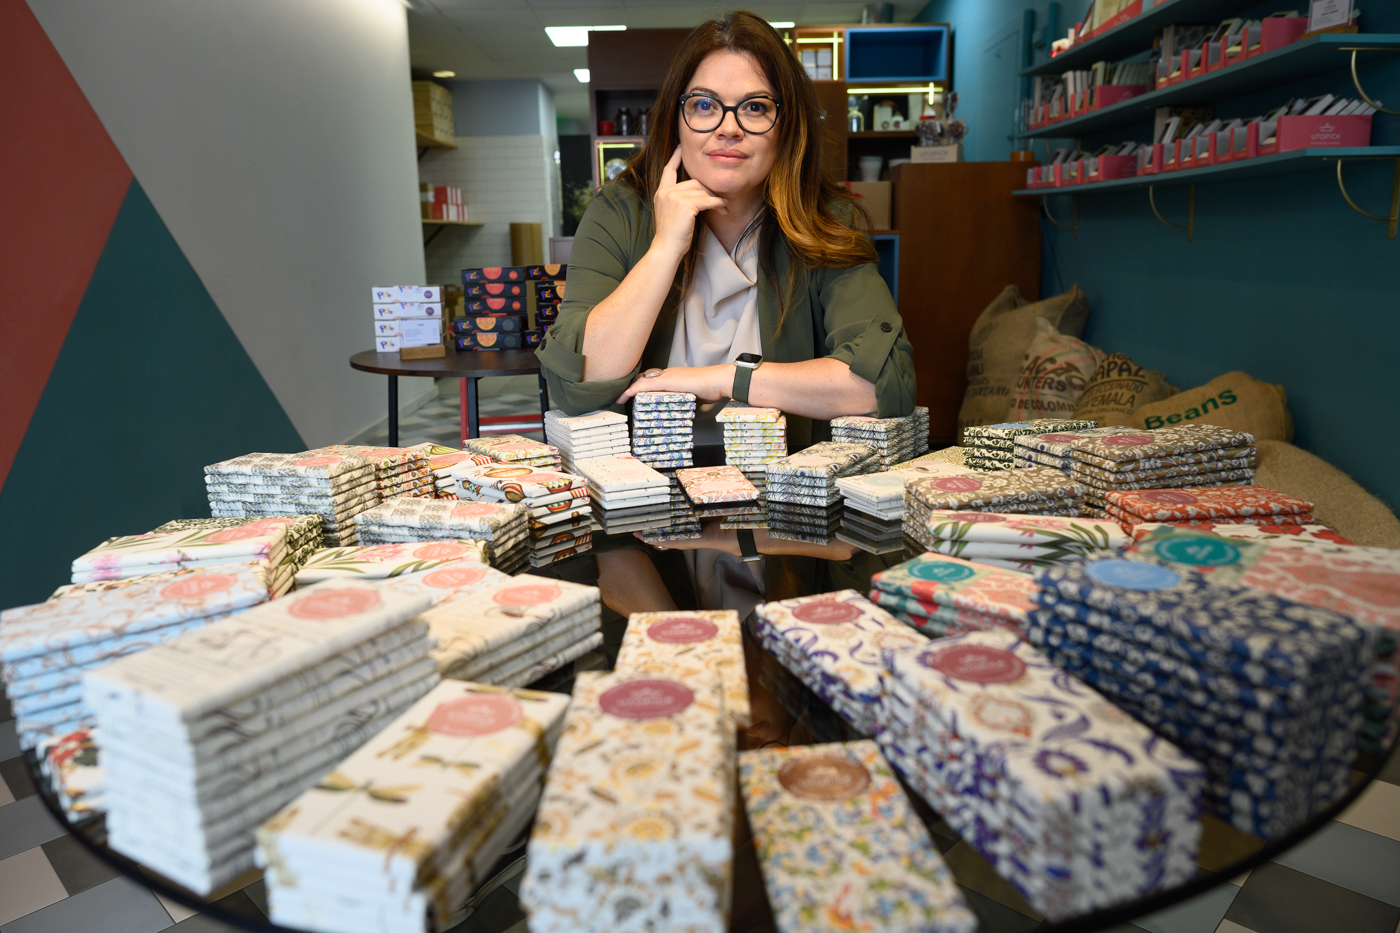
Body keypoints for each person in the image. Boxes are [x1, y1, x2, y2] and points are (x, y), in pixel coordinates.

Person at [536, 10, 916, 449]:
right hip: (645, 481)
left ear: (787, 126)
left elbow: (883, 384)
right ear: (676, 119)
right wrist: (665, 248)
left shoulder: (825, 219)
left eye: (755, 107)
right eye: (704, 105)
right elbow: (576, 384)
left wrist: (723, 379)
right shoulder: (621, 212)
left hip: (782, 480)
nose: (728, 128)